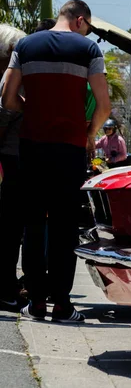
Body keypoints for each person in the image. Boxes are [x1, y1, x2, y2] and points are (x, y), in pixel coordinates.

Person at [3, 0, 111, 323]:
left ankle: (35, 302)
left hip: (31, 146)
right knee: (64, 227)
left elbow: (8, 96)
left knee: (33, 224)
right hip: (69, 148)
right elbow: (104, 105)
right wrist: (89, 130)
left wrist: (33, 111)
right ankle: (62, 304)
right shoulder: (88, 50)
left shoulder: (25, 45)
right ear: (80, 20)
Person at [0, 24, 27, 311]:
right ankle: (6, 289)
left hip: (11, 162)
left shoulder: (12, 78)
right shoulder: (13, 81)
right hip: (11, 162)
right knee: (9, 232)